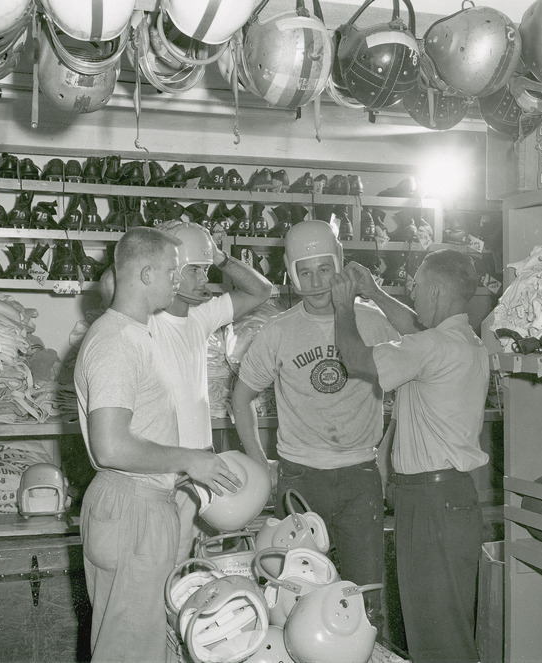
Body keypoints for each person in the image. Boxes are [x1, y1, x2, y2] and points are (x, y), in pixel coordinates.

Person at [74, 226, 241, 663]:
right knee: (129, 651)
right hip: (131, 507)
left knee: (152, 642)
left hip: (147, 503)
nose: (177, 279)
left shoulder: (138, 334)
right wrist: (189, 459)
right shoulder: (116, 342)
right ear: (146, 274)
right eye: (172, 270)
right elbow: (110, 446)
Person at [231, 219, 399, 626]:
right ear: (291, 274)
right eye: (304, 272)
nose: (316, 281)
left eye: (325, 269)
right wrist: (259, 464)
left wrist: (385, 453)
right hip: (300, 478)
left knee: (362, 601)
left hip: (360, 475)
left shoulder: (374, 321)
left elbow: (410, 386)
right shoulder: (278, 331)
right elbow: (241, 398)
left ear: (340, 265)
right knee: (294, 601)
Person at [330, 250, 489, 663]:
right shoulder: (464, 341)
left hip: (432, 503)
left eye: (416, 284)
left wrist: (344, 304)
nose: (412, 292)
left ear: (435, 290)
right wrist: (374, 291)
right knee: (443, 625)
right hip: (449, 498)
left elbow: (354, 358)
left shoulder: (433, 346)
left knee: (437, 634)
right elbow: (414, 327)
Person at [150, 221, 272, 559]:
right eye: (196, 271)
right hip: (157, 468)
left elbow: (261, 291)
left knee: (182, 566)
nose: (205, 280)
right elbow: (111, 283)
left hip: (198, 469)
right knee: (155, 565)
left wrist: (218, 257)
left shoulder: (200, 316)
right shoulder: (144, 319)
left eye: (206, 271)